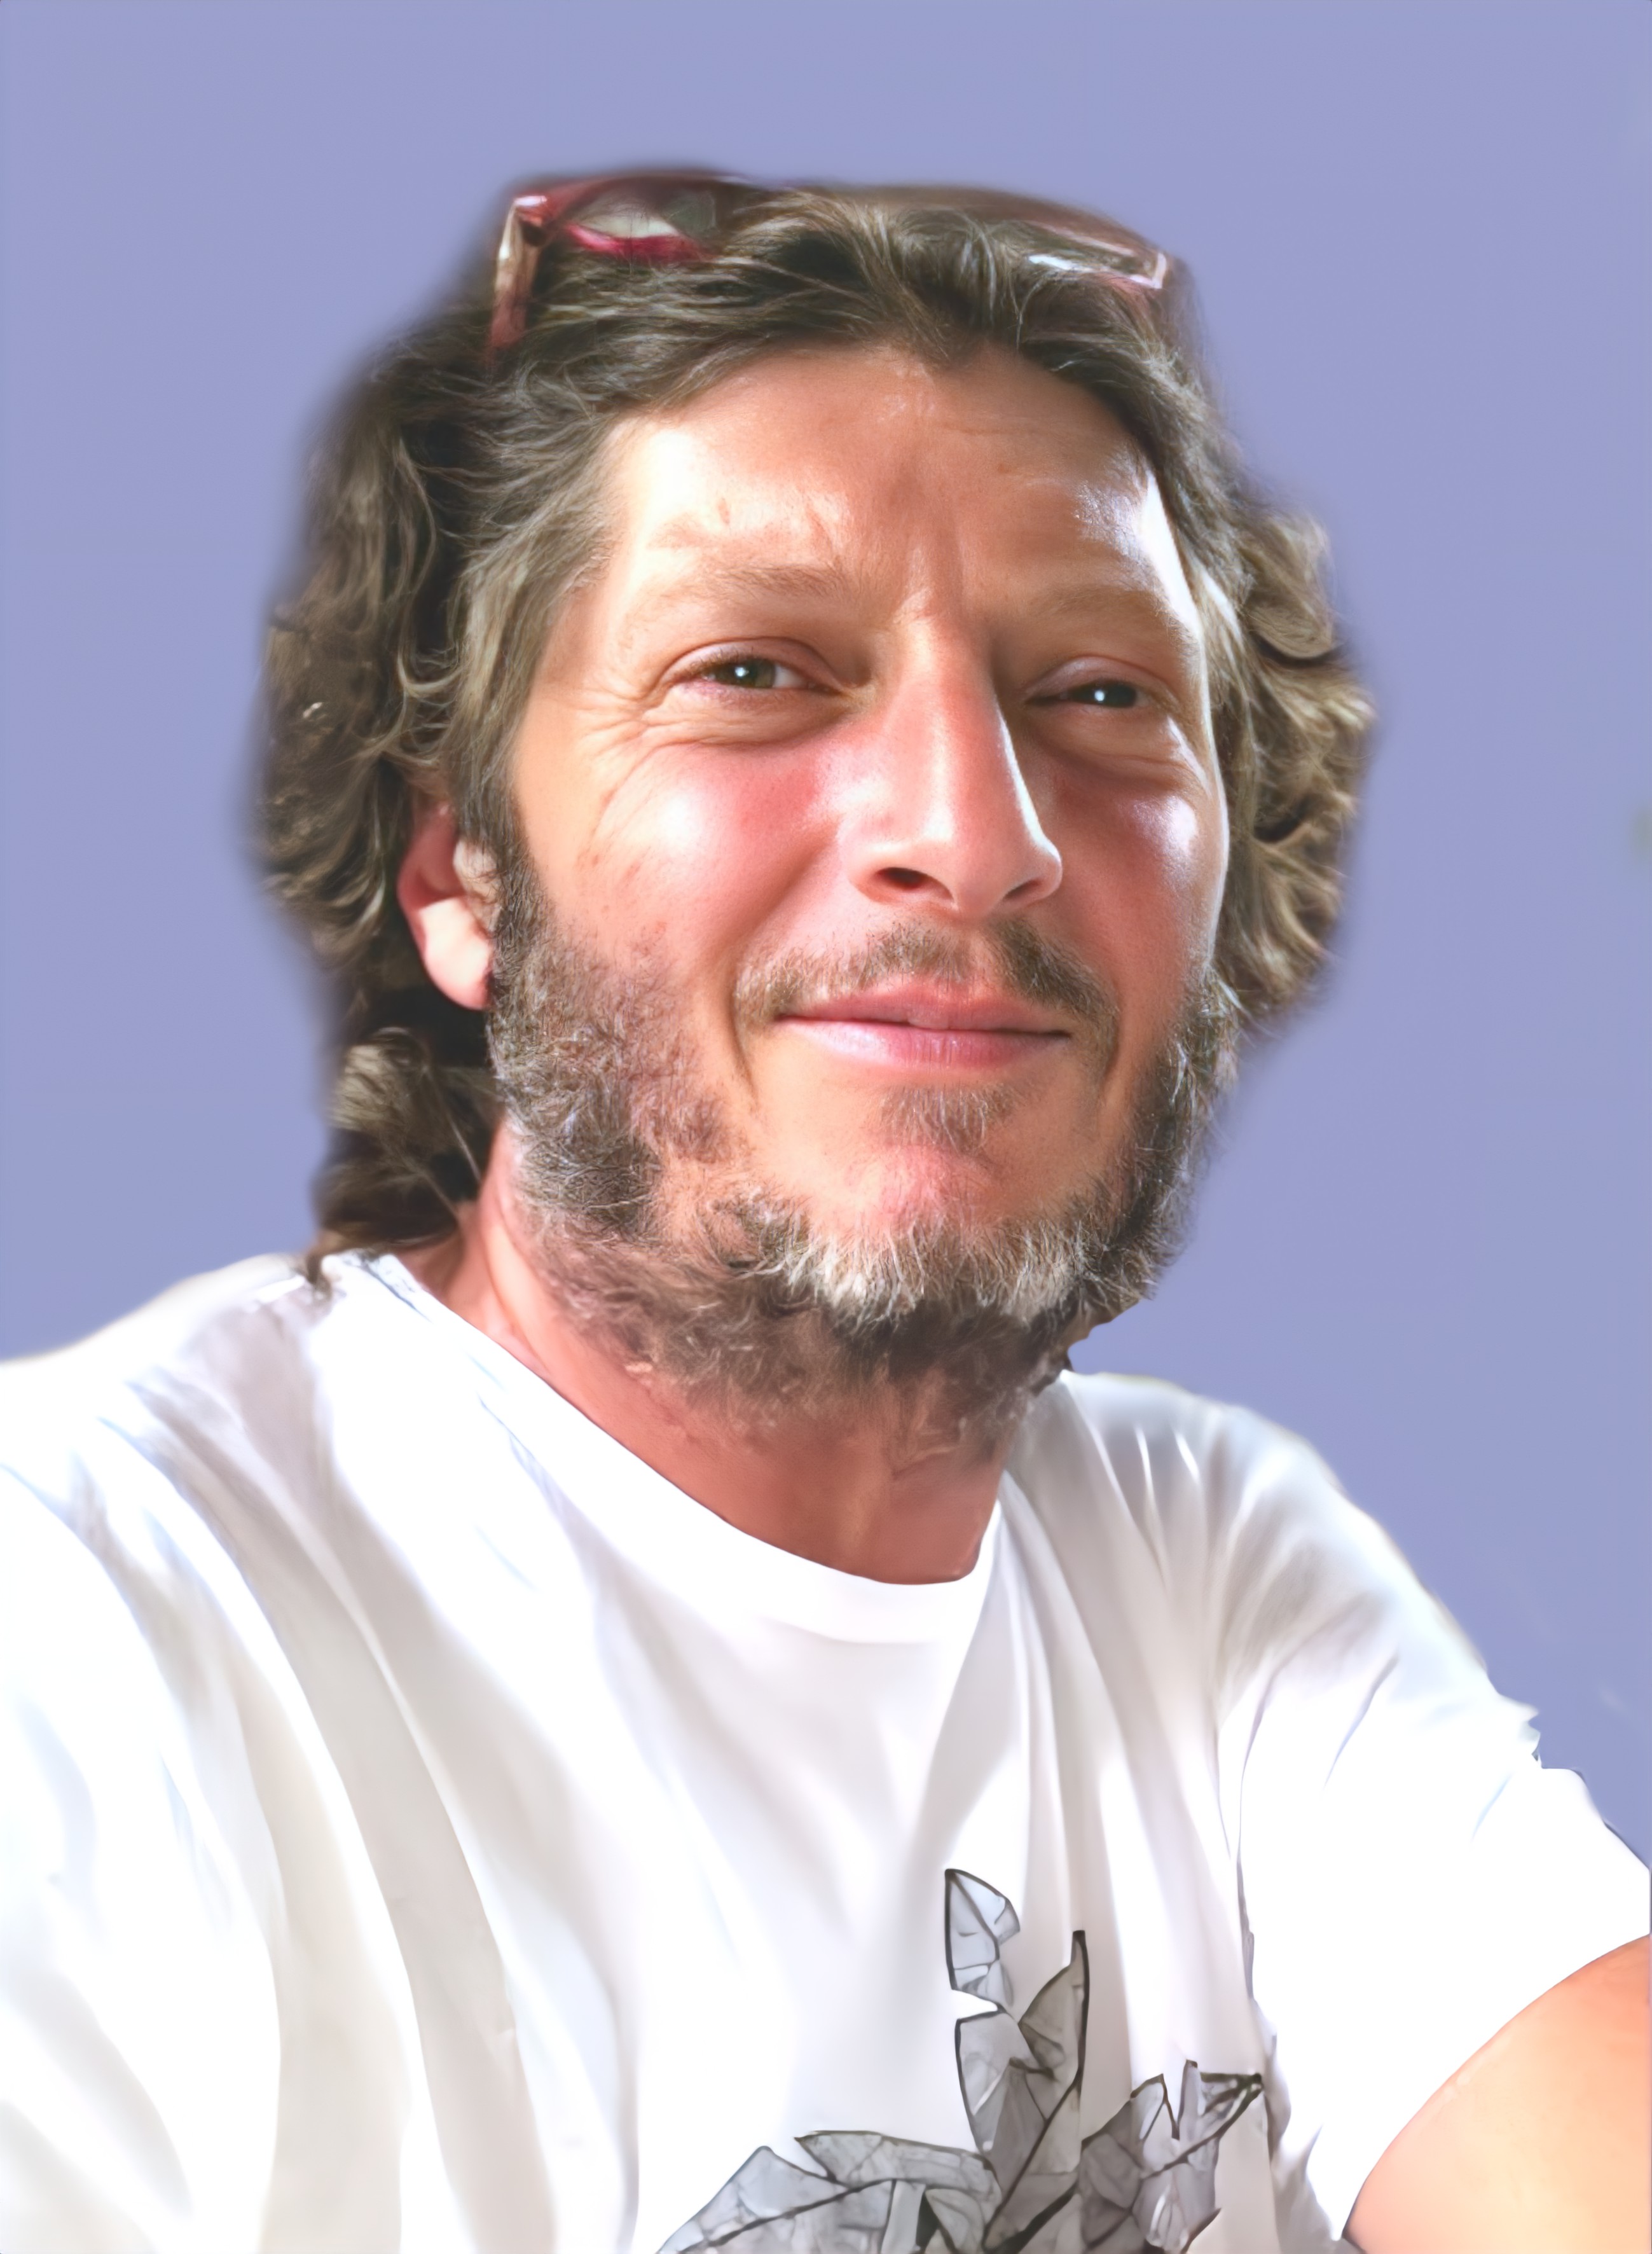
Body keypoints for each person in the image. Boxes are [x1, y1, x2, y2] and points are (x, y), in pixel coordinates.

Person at [0, 174, 1644, 2254]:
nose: (974, 832)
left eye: (1101, 695)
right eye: (759, 669)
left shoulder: (1203, 1570)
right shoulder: (84, 1620)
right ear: (462, 875)